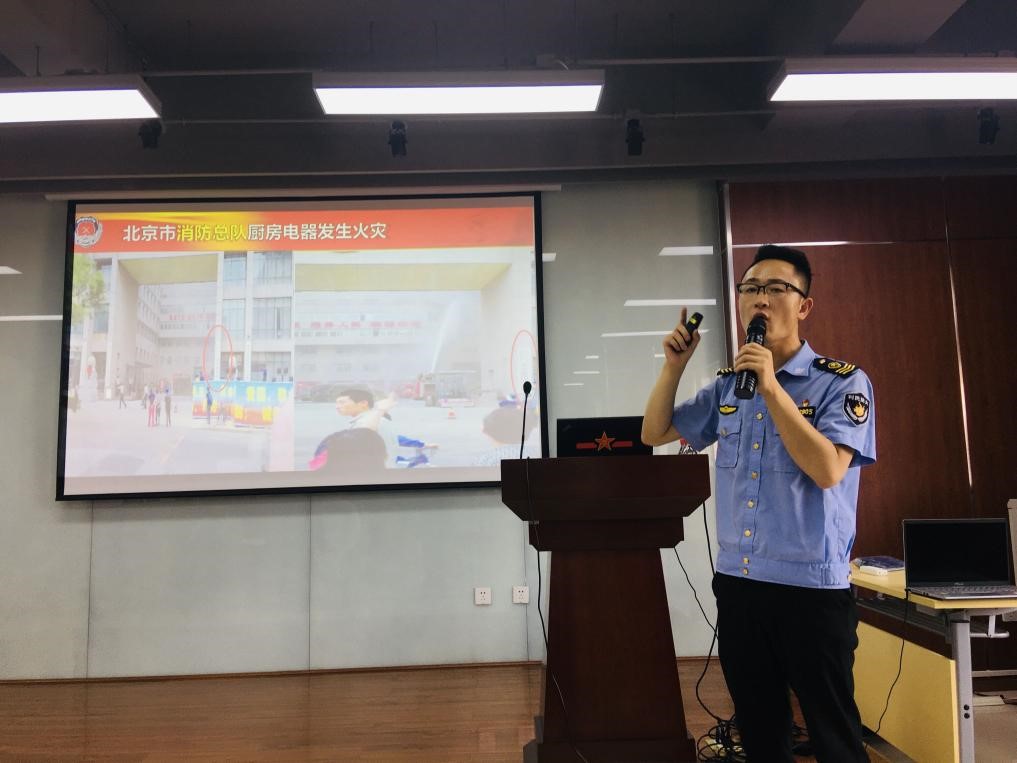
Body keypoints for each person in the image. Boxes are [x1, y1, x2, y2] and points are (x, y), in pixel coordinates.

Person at [642, 245, 876, 762]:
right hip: (741, 585)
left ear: (804, 305)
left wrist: (772, 388)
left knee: (834, 736)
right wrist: (674, 368)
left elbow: (828, 470)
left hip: (811, 592)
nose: (760, 300)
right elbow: (654, 432)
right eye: (750, 289)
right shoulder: (730, 386)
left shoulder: (842, 382)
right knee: (761, 734)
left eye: (775, 289)